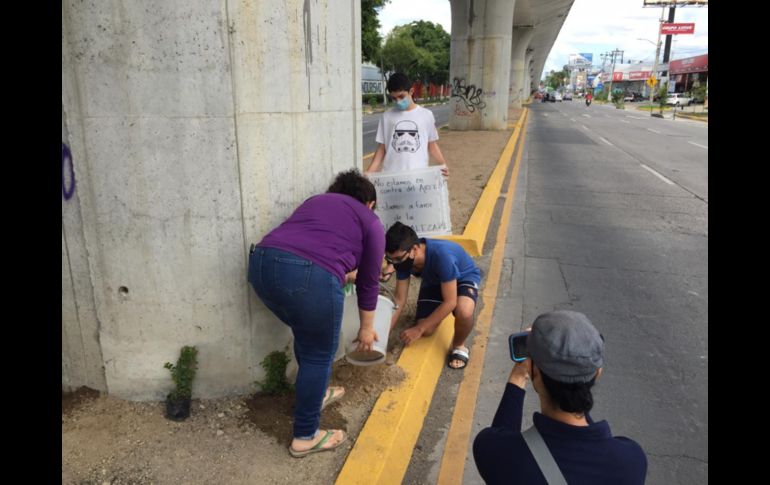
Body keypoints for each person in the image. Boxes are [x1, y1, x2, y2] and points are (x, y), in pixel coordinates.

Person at [247, 169, 385, 458]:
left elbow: (308, 246)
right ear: (370, 203)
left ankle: (317, 393)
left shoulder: (316, 201)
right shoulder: (370, 220)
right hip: (310, 276)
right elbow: (369, 282)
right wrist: (366, 328)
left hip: (261, 264)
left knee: (307, 334)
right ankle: (305, 436)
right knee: (318, 353)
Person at [473, 311, 647, 484]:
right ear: (597, 373)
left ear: (535, 372)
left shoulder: (495, 452)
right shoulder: (632, 462)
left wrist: (518, 376)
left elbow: (499, 437)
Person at [384, 222, 481, 369]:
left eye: (397, 259)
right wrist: (384, 333)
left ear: (414, 249)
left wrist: (418, 329)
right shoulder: (403, 261)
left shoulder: (442, 256)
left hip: (463, 277)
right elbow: (399, 299)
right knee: (427, 330)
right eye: (390, 259)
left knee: (464, 311)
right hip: (435, 280)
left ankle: (459, 346)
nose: (394, 264)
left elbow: (450, 302)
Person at [365, 72, 449, 177]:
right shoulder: (386, 116)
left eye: (401, 96)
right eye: (394, 98)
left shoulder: (426, 115)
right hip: (392, 178)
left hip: (419, 177)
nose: (398, 101)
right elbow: (382, 148)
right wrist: (370, 172)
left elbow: (432, 145)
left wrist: (443, 164)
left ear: (411, 91)